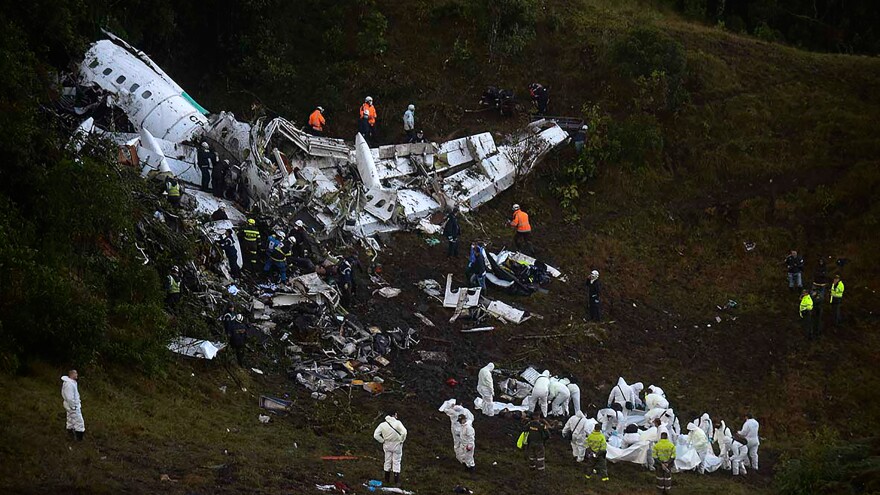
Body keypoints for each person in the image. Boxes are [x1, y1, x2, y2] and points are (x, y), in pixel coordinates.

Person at [373, 412, 407, 485]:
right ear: (394, 415)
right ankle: (396, 481)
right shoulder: (398, 423)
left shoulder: (382, 425)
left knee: (387, 461)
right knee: (396, 462)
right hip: (397, 445)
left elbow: (375, 435)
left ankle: (386, 480)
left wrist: (382, 440)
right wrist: (401, 440)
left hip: (387, 444)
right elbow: (404, 432)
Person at [61, 369, 85, 440]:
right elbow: (69, 397)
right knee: (79, 421)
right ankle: (79, 438)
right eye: (76, 373)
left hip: (71, 405)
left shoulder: (71, 383)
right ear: (72, 374)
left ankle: (70, 435)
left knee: (70, 419)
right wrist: (73, 406)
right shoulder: (69, 384)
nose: (77, 375)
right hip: (72, 406)